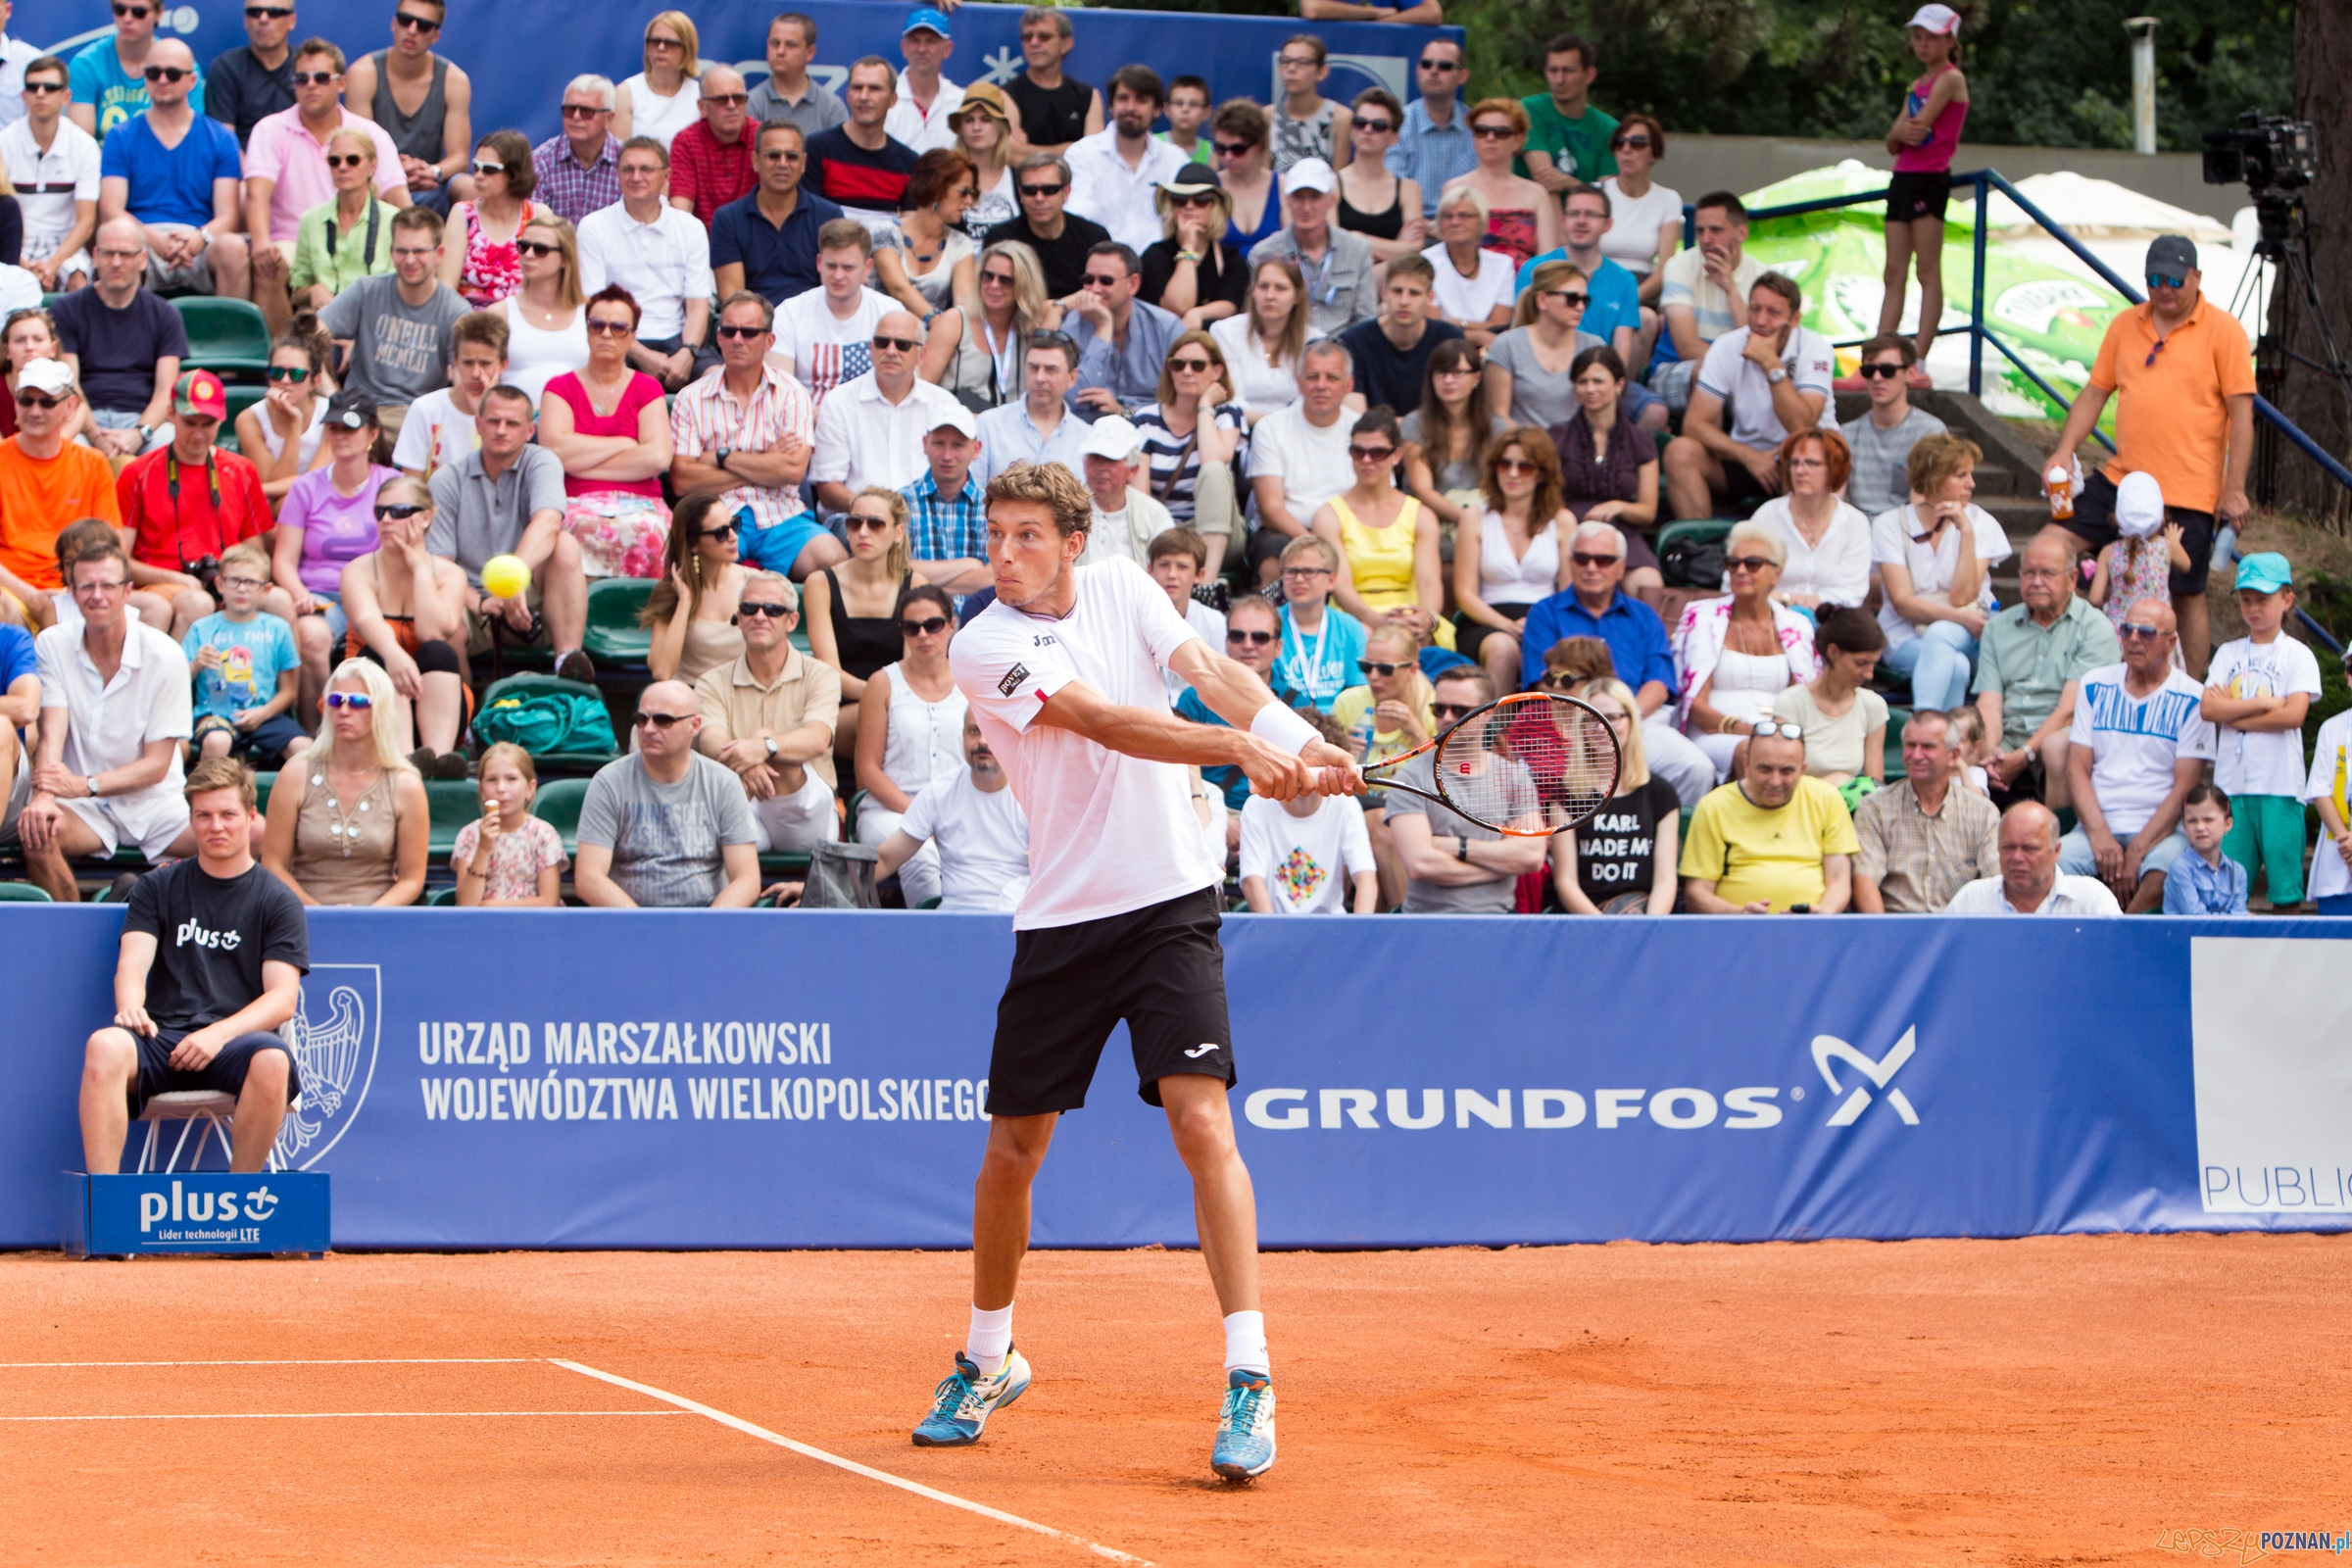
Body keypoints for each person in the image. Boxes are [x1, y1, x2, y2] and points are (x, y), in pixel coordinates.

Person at [917, 457, 1356, 1481]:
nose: (1005, 554)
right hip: (1063, 919)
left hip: (1169, 904)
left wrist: (1301, 740)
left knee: (1203, 1123)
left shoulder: (1124, 584)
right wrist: (1238, 752)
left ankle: (1250, 1377)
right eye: (996, 535)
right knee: (1012, 1152)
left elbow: (1212, 670)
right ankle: (988, 1357)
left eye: (1028, 536)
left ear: (1075, 542)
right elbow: (1105, 723)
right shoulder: (983, 643)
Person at [76, 756, 305, 1176]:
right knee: (104, 1046)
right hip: (161, 1037)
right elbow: (132, 963)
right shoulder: (157, 886)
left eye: (227, 815)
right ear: (191, 819)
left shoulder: (277, 900)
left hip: (236, 1043)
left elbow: (282, 999)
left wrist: (218, 1035)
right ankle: (104, 1204)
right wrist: (130, 1006)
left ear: (250, 817)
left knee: (274, 1059)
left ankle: (240, 1201)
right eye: (203, 816)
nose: (216, 826)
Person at [2043, 235, 2253, 677]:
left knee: (2187, 591)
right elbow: (2095, 393)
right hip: (2123, 480)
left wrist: (2233, 488)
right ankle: (2067, 661)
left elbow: (2242, 415)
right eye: (2155, 279)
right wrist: (2063, 452)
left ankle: (2192, 690)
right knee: (2051, 547)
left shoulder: (2224, 329)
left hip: (2189, 489)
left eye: (2175, 280)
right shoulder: (2125, 324)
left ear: (2197, 277)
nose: (2165, 289)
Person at [17, 539, 194, 902]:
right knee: (36, 829)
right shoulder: (52, 644)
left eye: (107, 585)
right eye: (86, 586)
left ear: (128, 591)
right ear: (72, 592)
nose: (97, 595)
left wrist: (84, 785)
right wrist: (45, 797)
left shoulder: (166, 655)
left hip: (156, 804)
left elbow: (157, 766)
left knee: (254, 833)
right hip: (83, 808)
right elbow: (52, 731)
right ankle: (71, 928)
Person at [1521, 519, 1711, 804]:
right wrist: (1594, 722)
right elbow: (1543, 682)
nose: (1591, 567)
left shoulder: (1644, 615)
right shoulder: (1544, 613)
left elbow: (1659, 684)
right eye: (1582, 559)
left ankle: (1661, 826)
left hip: (1638, 720)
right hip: (1571, 725)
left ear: (1621, 567)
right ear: (1570, 563)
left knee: (1696, 768)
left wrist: (1621, 719)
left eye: (1603, 560)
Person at [426, 384, 592, 682]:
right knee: (439, 619)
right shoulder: (446, 480)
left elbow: (548, 522)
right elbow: (440, 564)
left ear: (530, 431)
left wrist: (512, 581)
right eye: (493, 421)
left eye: (512, 423)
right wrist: (479, 602)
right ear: (478, 424)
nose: (501, 430)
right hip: (470, 600)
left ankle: (568, 665)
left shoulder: (542, 461)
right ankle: (462, 706)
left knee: (564, 544)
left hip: (529, 600)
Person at [241, 40, 408, 326]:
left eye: (321, 78)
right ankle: (284, 352)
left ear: (341, 83)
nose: (311, 85)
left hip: (359, 235)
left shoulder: (371, 134)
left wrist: (414, 243)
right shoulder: (270, 129)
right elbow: (256, 194)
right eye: (301, 79)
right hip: (290, 240)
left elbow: (399, 199)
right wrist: (261, 242)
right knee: (268, 263)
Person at [2060, 598, 2210, 911]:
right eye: (2127, 630)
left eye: (2146, 632)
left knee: (2167, 871)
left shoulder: (2193, 698)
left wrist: (2139, 849)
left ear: (2171, 643)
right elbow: (2076, 769)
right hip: (2096, 825)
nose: (2134, 639)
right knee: (2053, 867)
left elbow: (2185, 786)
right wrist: (2100, 835)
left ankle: (2120, 932)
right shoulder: (2094, 685)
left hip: (2163, 830)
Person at [669, 292, 823, 579]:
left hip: (782, 514)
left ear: (769, 341)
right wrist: (766, 461)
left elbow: (792, 470)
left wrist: (720, 457)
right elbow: (683, 480)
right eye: (729, 331)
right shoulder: (690, 398)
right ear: (718, 337)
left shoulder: (792, 393)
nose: (737, 340)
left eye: (749, 332)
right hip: (714, 515)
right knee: (695, 569)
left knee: (833, 561)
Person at [115, 369, 276, 637]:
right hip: (162, 582)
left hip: (229, 581)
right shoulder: (138, 473)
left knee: (280, 601)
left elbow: (255, 554)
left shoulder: (241, 470)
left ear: (221, 419)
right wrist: (175, 578)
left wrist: (234, 581)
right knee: (197, 602)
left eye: (208, 423)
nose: (199, 434)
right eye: (190, 423)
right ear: (171, 414)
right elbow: (120, 560)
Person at [2200, 551, 2319, 909]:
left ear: (2287, 600)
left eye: (2263, 599)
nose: (2253, 608)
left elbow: (2293, 715)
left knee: (2286, 891)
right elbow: (2208, 709)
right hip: (2232, 788)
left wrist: (2233, 716)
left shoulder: (2297, 654)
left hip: (2280, 786)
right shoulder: (2228, 653)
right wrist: (2266, 703)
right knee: (2227, 892)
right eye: (2246, 599)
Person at [576, 679, 760, 908]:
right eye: (642, 719)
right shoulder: (609, 782)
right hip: (629, 920)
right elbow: (589, 877)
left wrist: (708, 924)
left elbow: (747, 879)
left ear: (694, 725)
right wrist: (642, 924)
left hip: (705, 916)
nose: (648, 729)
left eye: (663, 720)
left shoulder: (723, 783)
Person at [1664, 272, 1835, 519]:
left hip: (1799, 457)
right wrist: (1750, 457)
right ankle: (1700, 541)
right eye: (1754, 309)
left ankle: (1796, 540)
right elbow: (1694, 424)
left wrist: (1770, 363)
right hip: (1746, 456)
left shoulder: (1816, 348)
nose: (1760, 321)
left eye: (1773, 312)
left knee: (1802, 456)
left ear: (1795, 319)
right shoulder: (1727, 345)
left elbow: (1802, 426)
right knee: (1680, 451)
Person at [693, 571, 841, 855]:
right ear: (739, 617)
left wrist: (764, 746)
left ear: (791, 621)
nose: (760, 616)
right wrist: (749, 761)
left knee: (782, 755)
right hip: (741, 799)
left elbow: (818, 739)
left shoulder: (821, 675)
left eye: (772, 610)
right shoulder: (711, 681)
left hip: (805, 809)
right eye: (750, 608)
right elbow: (710, 741)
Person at [260, 656, 426, 905]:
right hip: (302, 914)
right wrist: (319, 913)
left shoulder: (406, 784)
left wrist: (363, 918)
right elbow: (273, 865)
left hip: (377, 916)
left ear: (381, 709)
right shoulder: (295, 774)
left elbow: (411, 879)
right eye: (336, 700)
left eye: (358, 702)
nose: (344, 711)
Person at [534, 283, 671, 580]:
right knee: (571, 530)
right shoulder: (560, 388)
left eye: (618, 327)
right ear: (587, 331)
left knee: (651, 529)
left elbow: (657, 458)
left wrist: (580, 461)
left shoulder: (648, 388)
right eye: (597, 325)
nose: (607, 334)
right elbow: (556, 453)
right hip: (573, 499)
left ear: (632, 336)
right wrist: (625, 443)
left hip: (643, 502)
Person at [1971, 532, 2116, 812]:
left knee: (2056, 747)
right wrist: (1990, 752)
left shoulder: (2095, 628)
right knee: (1957, 742)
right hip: (2009, 733)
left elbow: (2069, 711)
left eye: (2047, 573)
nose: (2036, 581)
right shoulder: (1998, 627)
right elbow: (1989, 703)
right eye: (2029, 573)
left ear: (2072, 578)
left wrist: (2024, 754)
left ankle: (2058, 833)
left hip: (2063, 732)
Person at [95, 41, 247, 306]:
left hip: (199, 239)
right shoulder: (120, 137)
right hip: (142, 238)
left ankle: (230, 330)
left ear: (192, 80)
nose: (162, 80)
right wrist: (152, 239)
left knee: (233, 248)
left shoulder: (221, 137)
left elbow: (229, 216)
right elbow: (111, 210)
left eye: (173, 74)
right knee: (121, 244)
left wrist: (201, 237)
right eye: (154, 73)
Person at [1384, 663, 1544, 911]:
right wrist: (1501, 865)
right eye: (1439, 709)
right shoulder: (1411, 778)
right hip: (1428, 921)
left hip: (1498, 921)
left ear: (1487, 713)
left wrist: (1457, 846)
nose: (1447, 718)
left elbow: (1531, 856)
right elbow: (1420, 865)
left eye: (1459, 710)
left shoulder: (1514, 777)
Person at [274, 388, 393, 716]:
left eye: (350, 428)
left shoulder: (391, 486)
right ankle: (315, 730)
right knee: (310, 635)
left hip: (376, 593)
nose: (340, 435)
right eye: (334, 428)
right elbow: (283, 560)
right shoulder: (305, 487)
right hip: (321, 595)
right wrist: (300, 594)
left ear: (372, 434)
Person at [338, 471, 467, 771]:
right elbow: (367, 620)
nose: (385, 520)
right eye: (380, 511)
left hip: (433, 699)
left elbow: (432, 631)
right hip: (366, 699)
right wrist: (394, 655)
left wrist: (421, 570)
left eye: (397, 512)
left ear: (424, 518)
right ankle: (405, 760)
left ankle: (437, 761)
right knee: (375, 655)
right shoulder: (358, 570)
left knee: (439, 651)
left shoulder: (450, 574)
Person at [1672, 519, 1821, 780]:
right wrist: (1747, 730)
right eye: (1733, 563)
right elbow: (1693, 705)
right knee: (1751, 753)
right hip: (1715, 732)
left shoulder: (1798, 625)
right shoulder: (1702, 616)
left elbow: (1803, 700)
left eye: (1752, 563)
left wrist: (1775, 733)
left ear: (1776, 573)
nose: (1740, 571)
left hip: (1781, 735)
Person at [1873, 432, 2010, 711]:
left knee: (1942, 634)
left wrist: (1966, 531)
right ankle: (1940, 732)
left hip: (1971, 632)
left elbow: (1962, 596)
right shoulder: (1890, 524)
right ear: (1934, 479)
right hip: (1906, 634)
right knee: (1955, 666)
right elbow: (1902, 603)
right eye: (1961, 475)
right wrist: (1958, 617)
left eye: (1970, 474)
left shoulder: (1981, 523)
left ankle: (1922, 725)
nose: (1971, 483)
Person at [856, 582, 967, 903]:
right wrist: (921, 815)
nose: (923, 635)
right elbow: (867, 769)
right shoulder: (882, 683)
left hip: (958, 810)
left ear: (951, 625)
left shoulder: (971, 681)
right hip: (889, 810)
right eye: (911, 627)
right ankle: (931, 928)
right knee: (920, 853)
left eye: (933, 625)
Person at [577, 137, 711, 393]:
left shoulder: (691, 228)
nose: (636, 177)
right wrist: (642, 354)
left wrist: (687, 353)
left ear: (666, 176)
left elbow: (697, 305)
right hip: (616, 336)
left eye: (646, 169)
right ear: (617, 175)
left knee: (717, 378)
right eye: (628, 169)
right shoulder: (593, 227)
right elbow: (593, 305)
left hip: (678, 338)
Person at [1311, 407, 1446, 654]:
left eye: (1377, 453)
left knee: (1416, 642)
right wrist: (1378, 621)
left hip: (1410, 615)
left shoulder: (1421, 515)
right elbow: (1340, 586)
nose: (1366, 460)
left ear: (1397, 455)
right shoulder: (1328, 515)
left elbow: (1429, 581)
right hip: (1355, 617)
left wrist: (1425, 619)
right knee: (1369, 639)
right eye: (1358, 452)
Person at [1680, 726, 1855, 913]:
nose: (1775, 781)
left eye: (1787, 771)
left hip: (1814, 925)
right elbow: (1696, 893)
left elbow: (1839, 880)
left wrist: (1822, 916)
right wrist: (1738, 913)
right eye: (1765, 769)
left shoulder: (1827, 798)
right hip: (1737, 926)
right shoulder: (1714, 806)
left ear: (1802, 770)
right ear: (1746, 765)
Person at [0, 359, 122, 627]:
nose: (34, 411)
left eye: (46, 402)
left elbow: (112, 542)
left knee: (156, 608)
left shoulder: (92, 463)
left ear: (70, 406)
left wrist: (78, 589)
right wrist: (29, 594)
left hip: (77, 588)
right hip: (11, 589)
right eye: (26, 400)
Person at [1881, 3, 1968, 364]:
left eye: (1931, 37)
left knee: (1926, 270)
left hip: (1929, 177)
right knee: (1893, 272)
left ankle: (1918, 358)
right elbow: (1892, 142)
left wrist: (1900, 131)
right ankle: (1879, 354)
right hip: (1903, 177)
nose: (1923, 44)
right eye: (1918, 37)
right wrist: (1900, 132)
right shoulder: (1916, 85)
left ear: (1950, 40)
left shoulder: (1950, 78)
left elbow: (1914, 130)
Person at [1849, 706, 2000, 912]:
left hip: (1958, 926)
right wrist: (1882, 931)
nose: (1916, 755)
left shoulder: (1982, 813)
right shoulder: (1875, 807)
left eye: (1928, 746)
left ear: (1953, 755)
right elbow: (1865, 878)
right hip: (1896, 924)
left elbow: (1995, 884)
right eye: (1910, 745)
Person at [877, 710, 1030, 911]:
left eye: (992, 730)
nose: (982, 741)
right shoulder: (939, 792)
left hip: (1016, 919)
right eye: (974, 731)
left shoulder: (1034, 795)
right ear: (963, 736)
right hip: (954, 918)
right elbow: (886, 860)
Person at [1452, 427, 1566, 694]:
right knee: (1503, 648)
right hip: (1485, 620)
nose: (1512, 474)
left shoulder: (1562, 521)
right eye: (1504, 464)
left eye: (1524, 467)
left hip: (1545, 618)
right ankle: (1495, 722)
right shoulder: (1474, 517)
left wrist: (1539, 625)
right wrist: (1506, 625)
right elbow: (1464, 594)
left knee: (1560, 649)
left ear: (1542, 473)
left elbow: (1568, 592)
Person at [1177, 593, 1305, 826]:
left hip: (1279, 816)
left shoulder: (1298, 704)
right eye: (1238, 636)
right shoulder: (1193, 699)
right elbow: (1177, 772)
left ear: (1278, 647)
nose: (1248, 645)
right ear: (1226, 642)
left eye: (1260, 637)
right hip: (1210, 812)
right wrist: (1222, 820)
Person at [805, 486, 914, 757]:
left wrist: (887, 699)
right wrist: (878, 695)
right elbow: (829, 671)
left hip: (899, 704)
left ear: (898, 533)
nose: (863, 532)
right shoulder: (820, 583)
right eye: (854, 523)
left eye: (875, 524)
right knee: (877, 719)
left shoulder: (915, 585)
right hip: (841, 705)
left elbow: (913, 666)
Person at [1554, 675, 1678, 914]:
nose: (1601, 728)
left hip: (1644, 915)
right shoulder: (1565, 794)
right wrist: (1605, 928)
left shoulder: (1660, 793)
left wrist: (1648, 926)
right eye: (1591, 719)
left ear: (1631, 721)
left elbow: (1665, 879)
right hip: (1588, 920)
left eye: (1611, 717)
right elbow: (1566, 881)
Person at [1330, 619, 1432, 906]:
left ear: (1412, 670)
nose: (1373, 676)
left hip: (1412, 805)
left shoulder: (1431, 706)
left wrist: (1417, 733)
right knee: (1365, 824)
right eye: (1366, 667)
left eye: (1385, 669)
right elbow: (1329, 772)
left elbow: (1444, 776)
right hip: (1356, 799)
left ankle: (1400, 918)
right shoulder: (1348, 702)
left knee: (1377, 824)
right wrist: (1343, 752)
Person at [343, 0, 473, 214]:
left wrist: (432, 171)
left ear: (435, 35)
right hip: (377, 183)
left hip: (429, 184)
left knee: (468, 186)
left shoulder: (454, 81)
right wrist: (394, 173)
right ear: (393, 24)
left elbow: (459, 158)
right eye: (405, 21)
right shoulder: (363, 73)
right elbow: (358, 148)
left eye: (423, 26)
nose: (412, 31)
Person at [1244, 337, 1357, 584]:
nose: (1321, 385)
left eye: (1332, 378)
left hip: (1351, 532)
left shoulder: (1362, 430)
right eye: (1312, 377)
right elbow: (1270, 509)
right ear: (1299, 383)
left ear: (1349, 385)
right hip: (1287, 531)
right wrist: (1315, 544)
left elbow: (1378, 499)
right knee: (1274, 558)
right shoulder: (1270, 428)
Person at [180, 538, 302, 768]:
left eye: (251, 582)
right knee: (217, 741)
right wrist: (195, 665)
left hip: (264, 714)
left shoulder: (278, 629)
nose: (242, 588)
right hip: (213, 715)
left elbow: (289, 692)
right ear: (219, 584)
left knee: (304, 748)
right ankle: (205, 788)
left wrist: (263, 713)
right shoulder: (201, 628)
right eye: (234, 580)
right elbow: (175, 680)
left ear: (266, 590)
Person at [1240, 710, 1377, 914]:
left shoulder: (1346, 806)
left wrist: (1360, 930)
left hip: (1332, 927)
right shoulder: (1257, 806)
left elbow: (1366, 877)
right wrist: (1272, 931)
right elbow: (1252, 881)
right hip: (1277, 927)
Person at [1130, 331, 1245, 573]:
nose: (1187, 372)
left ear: (1216, 372)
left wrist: (1205, 407)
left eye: (1198, 365)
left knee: (1214, 472)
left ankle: (1207, 580)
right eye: (1178, 364)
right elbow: (1141, 497)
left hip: (1220, 533)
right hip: (1164, 531)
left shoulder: (1227, 414)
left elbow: (1213, 460)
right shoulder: (1145, 420)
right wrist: (1167, 535)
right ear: (1169, 370)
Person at [1547, 347, 1660, 587]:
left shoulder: (1641, 440)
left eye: (1598, 381)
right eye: (1582, 381)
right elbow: (1545, 499)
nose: (1590, 389)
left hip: (1621, 533)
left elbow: (1648, 512)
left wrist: (1617, 506)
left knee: (1649, 584)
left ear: (1619, 384)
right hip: (1568, 533)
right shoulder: (1557, 437)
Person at [711, 122, 846, 307]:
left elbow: (837, 286)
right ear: (755, 161)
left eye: (792, 156)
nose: (782, 163)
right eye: (773, 155)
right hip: (754, 321)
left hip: (814, 319)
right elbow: (733, 299)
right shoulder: (728, 219)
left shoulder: (829, 216)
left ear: (803, 163)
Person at [1651, 191, 1763, 411]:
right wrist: (1738, 370)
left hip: (1739, 373)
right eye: (1700, 230)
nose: (1705, 239)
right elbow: (1687, 347)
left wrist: (1731, 289)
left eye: (1715, 230)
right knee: (1708, 374)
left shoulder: (1762, 276)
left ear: (1741, 233)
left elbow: (1756, 344)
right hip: (1674, 369)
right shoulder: (1679, 266)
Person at [1248, 158, 1377, 339]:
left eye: (1315, 197)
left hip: (1344, 348)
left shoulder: (1358, 249)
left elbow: (1366, 319)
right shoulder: (1263, 254)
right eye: (1298, 197)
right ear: (1287, 200)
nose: (1306, 207)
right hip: (1287, 346)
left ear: (1332, 200)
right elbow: (1257, 319)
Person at [1511, 184, 1641, 362]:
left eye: (1591, 214)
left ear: (1607, 224)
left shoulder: (1625, 281)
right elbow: (1519, 333)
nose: (1581, 220)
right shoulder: (1534, 270)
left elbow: (1621, 354)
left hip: (1597, 371)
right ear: (1563, 221)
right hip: (1539, 367)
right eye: (1573, 213)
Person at [1064, 67, 1185, 256]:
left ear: (1157, 110)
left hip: (1161, 266)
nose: (1130, 108)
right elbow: (1077, 218)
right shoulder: (1082, 154)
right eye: (1123, 98)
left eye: (1141, 100)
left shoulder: (1175, 159)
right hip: (1099, 265)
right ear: (1110, 106)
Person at [4, 55, 99, 293]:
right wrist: (25, 265)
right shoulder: (4, 143)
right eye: (33, 87)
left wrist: (53, 264)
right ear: (23, 95)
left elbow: (86, 221)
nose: (40, 94)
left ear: (66, 96)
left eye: (50, 87)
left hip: (65, 246)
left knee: (78, 280)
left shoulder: (85, 146)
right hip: (14, 242)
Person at [1748, 428, 1870, 612]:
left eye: (1811, 463)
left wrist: (1805, 604)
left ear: (1834, 469)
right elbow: (1742, 581)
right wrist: (1790, 600)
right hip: (1773, 615)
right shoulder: (1767, 516)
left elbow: (1852, 593)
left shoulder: (1855, 522)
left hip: (1832, 619)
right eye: (1795, 463)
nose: (1799, 470)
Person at [283, 127, 400, 318]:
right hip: (326, 322)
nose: (343, 167)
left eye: (352, 160)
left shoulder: (394, 220)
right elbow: (298, 291)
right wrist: (313, 291)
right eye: (334, 161)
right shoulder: (311, 220)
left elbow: (402, 287)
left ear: (372, 165)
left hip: (377, 321)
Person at [642, 489, 749, 688]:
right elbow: (662, 671)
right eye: (721, 532)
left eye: (734, 525)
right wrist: (685, 603)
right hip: (692, 698)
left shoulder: (757, 583)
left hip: (745, 696)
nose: (733, 536)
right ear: (693, 543)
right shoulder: (670, 594)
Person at [1484, 260, 1604, 435]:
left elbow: (1602, 413)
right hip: (1522, 446)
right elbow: (1499, 416)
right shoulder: (1506, 346)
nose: (1580, 307)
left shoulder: (1595, 347)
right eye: (1572, 299)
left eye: (1584, 300)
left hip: (1577, 447)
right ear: (1542, 300)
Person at [1399, 337, 1505, 533]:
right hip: (1430, 522)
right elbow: (1422, 490)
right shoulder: (1415, 424)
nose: (1448, 380)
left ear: (1476, 378)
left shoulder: (1496, 427)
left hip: (1482, 517)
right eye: (1441, 373)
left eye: (1457, 373)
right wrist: (1468, 521)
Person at [1772, 608, 1887, 786]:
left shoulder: (1873, 705)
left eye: (1873, 664)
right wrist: (1833, 785)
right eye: (1861, 663)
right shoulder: (1791, 702)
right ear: (1833, 651)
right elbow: (1780, 779)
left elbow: (1874, 785)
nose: (1869, 674)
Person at [1943, 800, 2122, 914]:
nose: (2017, 857)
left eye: (2029, 849)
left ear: (2056, 851)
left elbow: (2119, 955)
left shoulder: (2090, 899)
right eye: (2008, 847)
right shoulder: (1972, 899)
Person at [1065, 241, 1180, 416]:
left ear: (1132, 284)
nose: (1094, 288)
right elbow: (1070, 400)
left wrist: (1124, 412)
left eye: (1106, 280)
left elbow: (1182, 401)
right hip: (1089, 426)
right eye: (1088, 280)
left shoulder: (1167, 328)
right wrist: (1103, 328)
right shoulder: (1072, 325)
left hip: (1150, 427)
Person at [1439, 101, 1555, 271]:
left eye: (1501, 132)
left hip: (1522, 284)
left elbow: (1547, 261)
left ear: (1518, 141)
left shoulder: (1537, 194)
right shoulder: (1454, 188)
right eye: (1481, 131)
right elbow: (1446, 254)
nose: (1490, 138)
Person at [1341, 252, 1463, 414]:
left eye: (1414, 293)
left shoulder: (1449, 340)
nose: (1404, 301)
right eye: (1397, 291)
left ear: (1430, 298)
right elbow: (1356, 418)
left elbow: (1456, 414)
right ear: (1384, 293)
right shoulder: (1353, 342)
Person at [387, 305, 499, 480]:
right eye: (468, 363)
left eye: (485, 363)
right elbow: (412, 484)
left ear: (503, 364)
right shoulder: (424, 409)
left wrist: (484, 415)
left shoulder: (512, 415)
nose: (476, 373)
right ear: (455, 362)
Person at [1839, 334, 1947, 516]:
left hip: (1906, 529)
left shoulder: (1930, 432)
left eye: (1887, 370)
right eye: (1868, 370)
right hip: (1859, 529)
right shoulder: (1846, 434)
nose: (1877, 377)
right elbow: (1835, 498)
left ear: (1910, 373)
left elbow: (1924, 502)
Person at [488, 213, 588, 408]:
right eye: (523, 246)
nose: (529, 255)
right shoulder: (499, 315)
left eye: (541, 249)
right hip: (513, 419)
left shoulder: (591, 313)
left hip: (579, 419)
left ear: (565, 258)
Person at [806, 57, 918, 230]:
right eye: (857, 88)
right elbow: (806, 223)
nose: (864, 96)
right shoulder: (817, 149)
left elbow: (911, 233)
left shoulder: (909, 164)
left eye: (874, 88)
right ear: (847, 95)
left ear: (893, 100)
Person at [71, 0, 204, 144]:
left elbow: (192, 139)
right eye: (120, 10)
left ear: (159, 13)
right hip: (103, 157)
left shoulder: (181, 69)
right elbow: (81, 146)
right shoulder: (87, 64)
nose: (127, 19)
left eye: (139, 12)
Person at [980, 152, 1108, 299]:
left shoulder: (1094, 238)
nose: (1039, 198)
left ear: (1066, 192)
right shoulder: (1001, 239)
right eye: (1030, 191)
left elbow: (1105, 293)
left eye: (1049, 190)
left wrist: (1063, 306)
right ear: (1020, 194)